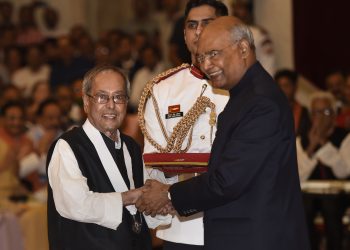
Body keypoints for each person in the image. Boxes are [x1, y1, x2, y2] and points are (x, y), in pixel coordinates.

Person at [136, 16, 310, 250]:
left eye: (214, 54)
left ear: (243, 48)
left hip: (258, 237)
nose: (206, 65)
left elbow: (227, 181)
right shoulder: (244, 95)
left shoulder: (260, 103)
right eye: (201, 57)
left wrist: (168, 195)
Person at [138, 1, 229, 249]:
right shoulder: (163, 89)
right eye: (192, 25)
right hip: (181, 228)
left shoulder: (241, 84)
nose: (198, 32)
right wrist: (161, 204)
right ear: (185, 35)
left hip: (234, 223)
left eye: (207, 24)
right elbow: (153, 163)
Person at [46, 65, 152, 250]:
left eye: (118, 97)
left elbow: (146, 201)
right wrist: (129, 197)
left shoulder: (132, 147)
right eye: (102, 97)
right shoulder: (68, 146)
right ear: (86, 102)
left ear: (126, 103)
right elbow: (76, 204)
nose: (111, 105)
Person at [296, 91, 350, 250]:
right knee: (303, 207)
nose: (319, 117)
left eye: (325, 111)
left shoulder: (345, 137)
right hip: (309, 194)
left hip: (338, 194)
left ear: (334, 115)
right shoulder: (300, 140)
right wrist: (312, 147)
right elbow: (297, 176)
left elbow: (343, 171)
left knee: (330, 206)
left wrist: (324, 143)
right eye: (315, 112)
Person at [274, 69, 310, 136]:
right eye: (279, 86)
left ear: (295, 87)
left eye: (286, 85)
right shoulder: (270, 111)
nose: (282, 90)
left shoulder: (304, 112)